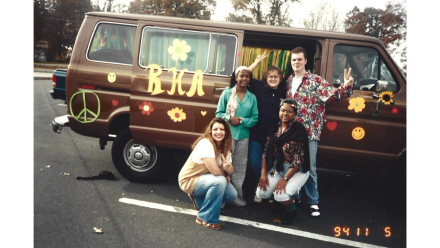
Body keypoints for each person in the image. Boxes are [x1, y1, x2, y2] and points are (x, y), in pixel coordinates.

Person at [286, 47, 354, 218]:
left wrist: (346, 85)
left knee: (309, 168)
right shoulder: (288, 81)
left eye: (299, 59)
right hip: (290, 132)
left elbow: (335, 95)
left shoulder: (315, 80)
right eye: (294, 60)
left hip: (309, 132)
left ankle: (313, 202)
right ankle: (294, 197)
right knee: (292, 165)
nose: (296, 62)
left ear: (306, 61)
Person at [256, 99, 310, 224]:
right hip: (278, 168)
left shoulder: (298, 130)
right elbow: (265, 153)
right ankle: (280, 203)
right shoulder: (275, 128)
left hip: (296, 171)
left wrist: (285, 179)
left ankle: (291, 209)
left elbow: (298, 161)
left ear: (295, 113)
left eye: (289, 111)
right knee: (261, 192)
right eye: (283, 110)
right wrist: (263, 174)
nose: (285, 113)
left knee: (281, 195)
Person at [178, 117, 237, 230]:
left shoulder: (226, 146)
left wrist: (228, 169)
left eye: (222, 129)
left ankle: (200, 201)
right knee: (220, 181)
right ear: (210, 131)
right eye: (215, 129)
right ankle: (206, 218)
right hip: (189, 180)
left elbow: (231, 171)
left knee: (232, 194)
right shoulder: (206, 143)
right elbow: (215, 171)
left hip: (205, 178)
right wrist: (225, 174)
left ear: (226, 132)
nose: (218, 132)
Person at [246, 53, 287, 203]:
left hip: (274, 136)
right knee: (255, 162)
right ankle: (262, 187)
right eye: (270, 77)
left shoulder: (284, 92)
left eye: (276, 77)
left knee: (272, 165)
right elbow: (245, 74)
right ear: (266, 78)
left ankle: (268, 191)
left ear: (280, 78)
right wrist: (256, 62)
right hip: (257, 133)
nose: (273, 79)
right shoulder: (258, 88)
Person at [215, 66, 258, 206]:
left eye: (247, 76)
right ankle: (221, 199)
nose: (244, 79)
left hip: (244, 136)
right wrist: (229, 118)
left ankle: (236, 197)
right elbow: (218, 113)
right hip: (228, 135)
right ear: (236, 77)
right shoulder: (227, 94)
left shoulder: (252, 97)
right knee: (224, 164)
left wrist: (241, 120)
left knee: (239, 167)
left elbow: (254, 118)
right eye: (242, 76)